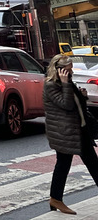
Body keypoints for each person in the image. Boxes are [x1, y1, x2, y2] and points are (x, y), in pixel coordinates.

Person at [44, 54, 98, 214]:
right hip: (64, 133)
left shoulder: (67, 82)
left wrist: (81, 96)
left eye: (71, 69)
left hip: (78, 130)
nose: (71, 72)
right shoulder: (51, 85)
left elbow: (75, 105)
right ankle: (55, 199)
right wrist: (68, 85)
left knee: (93, 164)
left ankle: (55, 199)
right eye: (67, 70)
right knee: (63, 165)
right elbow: (66, 105)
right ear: (58, 70)